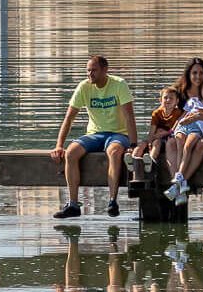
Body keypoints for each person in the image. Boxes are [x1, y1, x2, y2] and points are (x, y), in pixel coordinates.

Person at [50, 54, 138, 220]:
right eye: (88, 71)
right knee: (71, 152)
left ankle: (112, 201)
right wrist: (59, 145)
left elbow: (129, 117)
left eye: (94, 70)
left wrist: (133, 144)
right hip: (95, 134)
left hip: (118, 134)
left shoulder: (119, 85)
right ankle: (73, 204)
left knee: (113, 152)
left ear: (105, 70)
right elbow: (69, 118)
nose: (90, 74)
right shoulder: (84, 87)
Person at [164, 77, 203, 207]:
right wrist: (172, 131)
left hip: (197, 129)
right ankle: (180, 181)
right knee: (179, 144)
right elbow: (182, 116)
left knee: (187, 146)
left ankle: (180, 180)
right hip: (183, 126)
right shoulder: (193, 101)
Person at [133, 86, 183, 174]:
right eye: (165, 98)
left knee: (157, 143)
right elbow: (152, 131)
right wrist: (149, 141)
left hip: (169, 139)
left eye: (171, 98)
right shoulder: (157, 113)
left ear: (176, 101)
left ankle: (151, 161)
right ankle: (133, 159)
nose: (168, 100)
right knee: (143, 143)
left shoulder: (178, 113)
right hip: (157, 137)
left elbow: (177, 130)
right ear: (160, 100)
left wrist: (165, 133)